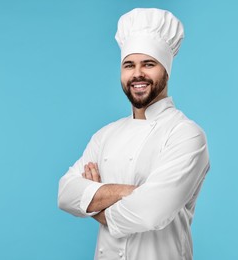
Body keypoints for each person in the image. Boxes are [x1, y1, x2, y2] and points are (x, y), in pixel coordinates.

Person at [58, 8, 210, 260]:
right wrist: (126, 192)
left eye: (148, 64)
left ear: (166, 70)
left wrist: (94, 202)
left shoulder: (187, 135)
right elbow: (65, 193)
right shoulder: (105, 135)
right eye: (129, 65)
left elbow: (151, 212)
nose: (137, 73)